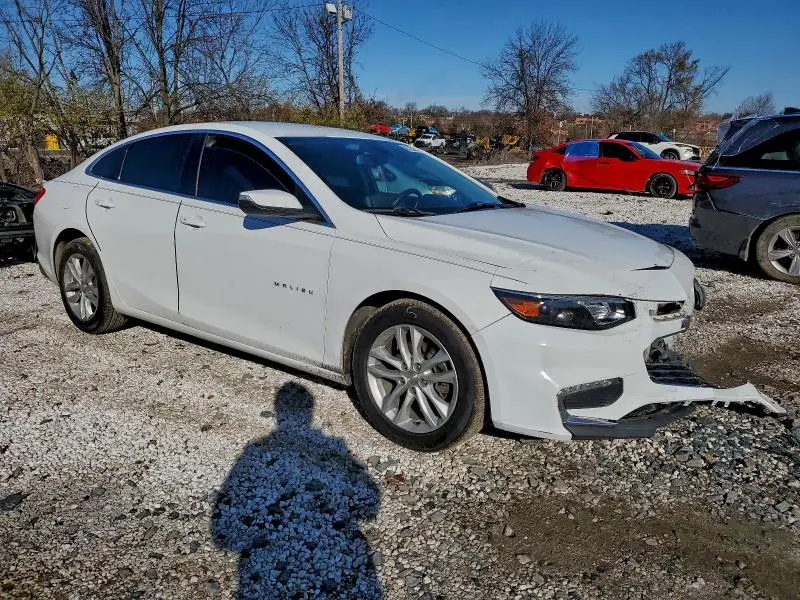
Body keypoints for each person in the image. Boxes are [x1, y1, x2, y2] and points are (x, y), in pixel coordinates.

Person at [211, 382, 382, 599]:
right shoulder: (333, 450)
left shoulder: (257, 454)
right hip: (336, 567)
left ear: (278, 413)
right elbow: (370, 504)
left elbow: (222, 533)